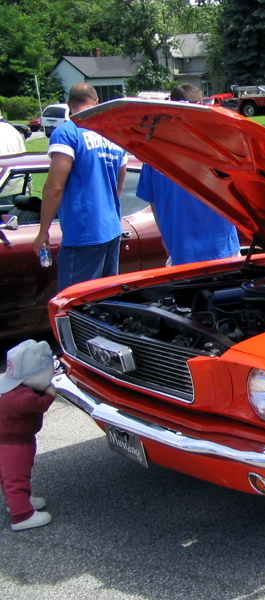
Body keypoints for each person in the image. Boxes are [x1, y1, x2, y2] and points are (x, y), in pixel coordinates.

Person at [33, 83, 128, 292]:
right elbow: (119, 186)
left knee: (74, 303)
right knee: (104, 299)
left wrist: (43, 231)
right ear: (96, 103)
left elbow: (54, 187)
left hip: (83, 232)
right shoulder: (113, 134)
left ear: (68, 105)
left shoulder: (67, 132)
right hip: (111, 229)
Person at [136, 84, 240, 266]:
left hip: (183, 250)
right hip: (220, 249)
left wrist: (166, 238)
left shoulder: (154, 148)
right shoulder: (218, 144)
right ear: (200, 104)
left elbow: (153, 201)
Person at [0, 339, 56, 531]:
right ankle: (22, 515)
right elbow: (41, 403)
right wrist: (51, 391)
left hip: (7, 440)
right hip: (15, 444)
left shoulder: (10, 391)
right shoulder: (23, 397)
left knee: (8, 477)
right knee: (16, 478)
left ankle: (19, 501)